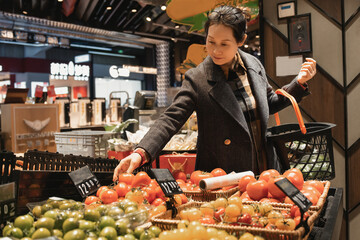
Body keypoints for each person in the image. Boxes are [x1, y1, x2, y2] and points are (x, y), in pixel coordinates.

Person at [113, 5, 316, 181]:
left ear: (241, 40)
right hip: (223, 175)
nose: (216, 50)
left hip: (264, 168)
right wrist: (141, 153)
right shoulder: (198, 78)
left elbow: (269, 103)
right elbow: (171, 118)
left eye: (224, 44)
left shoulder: (253, 65)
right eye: (211, 42)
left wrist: (298, 83)